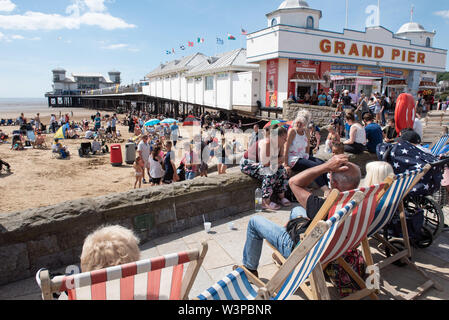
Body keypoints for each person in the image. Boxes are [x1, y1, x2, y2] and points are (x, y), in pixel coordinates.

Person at [242, 155, 361, 276]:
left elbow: (293, 182)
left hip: (305, 250)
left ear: (334, 183)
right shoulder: (358, 202)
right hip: (334, 247)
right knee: (297, 209)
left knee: (254, 222)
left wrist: (325, 166)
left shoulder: (322, 207)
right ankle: (286, 235)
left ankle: (250, 269)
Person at [241, 126, 291, 211]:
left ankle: (281, 197)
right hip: (248, 163)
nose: (285, 141)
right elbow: (266, 163)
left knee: (282, 171)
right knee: (269, 172)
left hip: (264, 163)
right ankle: (265, 201)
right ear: (277, 137)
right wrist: (278, 161)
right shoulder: (267, 143)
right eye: (284, 138)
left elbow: (281, 158)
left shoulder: (280, 144)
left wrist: (278, 162)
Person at [284, 111, 328, 192]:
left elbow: (307, 146)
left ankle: (327, 186)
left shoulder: (306, 131)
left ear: (305, 124)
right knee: (314, 166)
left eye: (301, 123)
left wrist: (307, 158)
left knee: (322, 163)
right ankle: (325, 190)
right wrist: (286, 164)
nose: (299, 124)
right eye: (297, 122)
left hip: (302, 156)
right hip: (293, 158)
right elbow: (286, 148)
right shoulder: (292, 132)